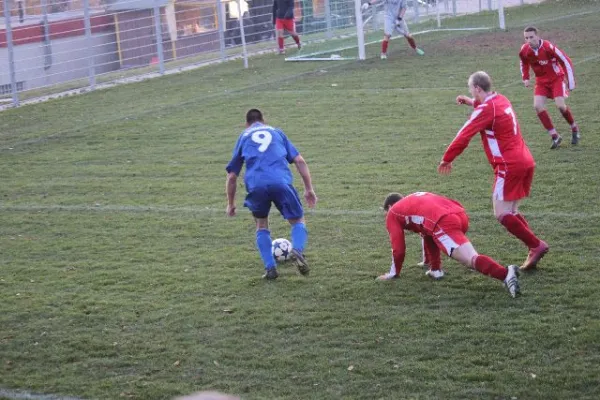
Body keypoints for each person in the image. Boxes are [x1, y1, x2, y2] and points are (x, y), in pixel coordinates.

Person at [438, 71, 548, 271]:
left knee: (502, 214)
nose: (470, 91)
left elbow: (464, 135)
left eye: (471, 89)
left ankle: (536, 245)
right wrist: (471, 101)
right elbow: (489, 109)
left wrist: (447, 158)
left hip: (508, 165)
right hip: (525, 160)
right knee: (512, 211)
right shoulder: (501, 99)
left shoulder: (486, 110)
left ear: (478, 89)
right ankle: (534, 246)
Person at [225, 109, 317, 279]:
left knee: (261, 224)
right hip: (280, 181)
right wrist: (308, 188)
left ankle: (270, 268)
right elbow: (299, 160)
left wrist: (231, 203)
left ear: (247, 124)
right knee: (298, 220)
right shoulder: (277, 132)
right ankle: (297, 249)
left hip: (256, 185)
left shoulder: (244, 136)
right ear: (263, 120)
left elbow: (232, 176)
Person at [377, 191, 521, 298]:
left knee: (470, 259)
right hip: (459, 213)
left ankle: (505, 273)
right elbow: (427, 232)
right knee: (431, 232)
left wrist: (393, 273)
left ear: (390, 206)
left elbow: (399, 249)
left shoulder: (393, 213)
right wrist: (432, 265)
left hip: (444, 221)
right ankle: (436, 271)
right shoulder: (413, 199)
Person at [519, 26, 580, 149]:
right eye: (526, 38)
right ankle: (555, 136)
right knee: (537, 106)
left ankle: (574, 128)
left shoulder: (548, 47)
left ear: (538, 36)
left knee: (561, 106)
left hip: (556, 79)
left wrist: (571, 81)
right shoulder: (525, 50)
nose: (529, 40)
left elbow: (565, 60)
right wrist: (525, 77)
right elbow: (523, 62)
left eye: (531, 37)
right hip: (541, 82)